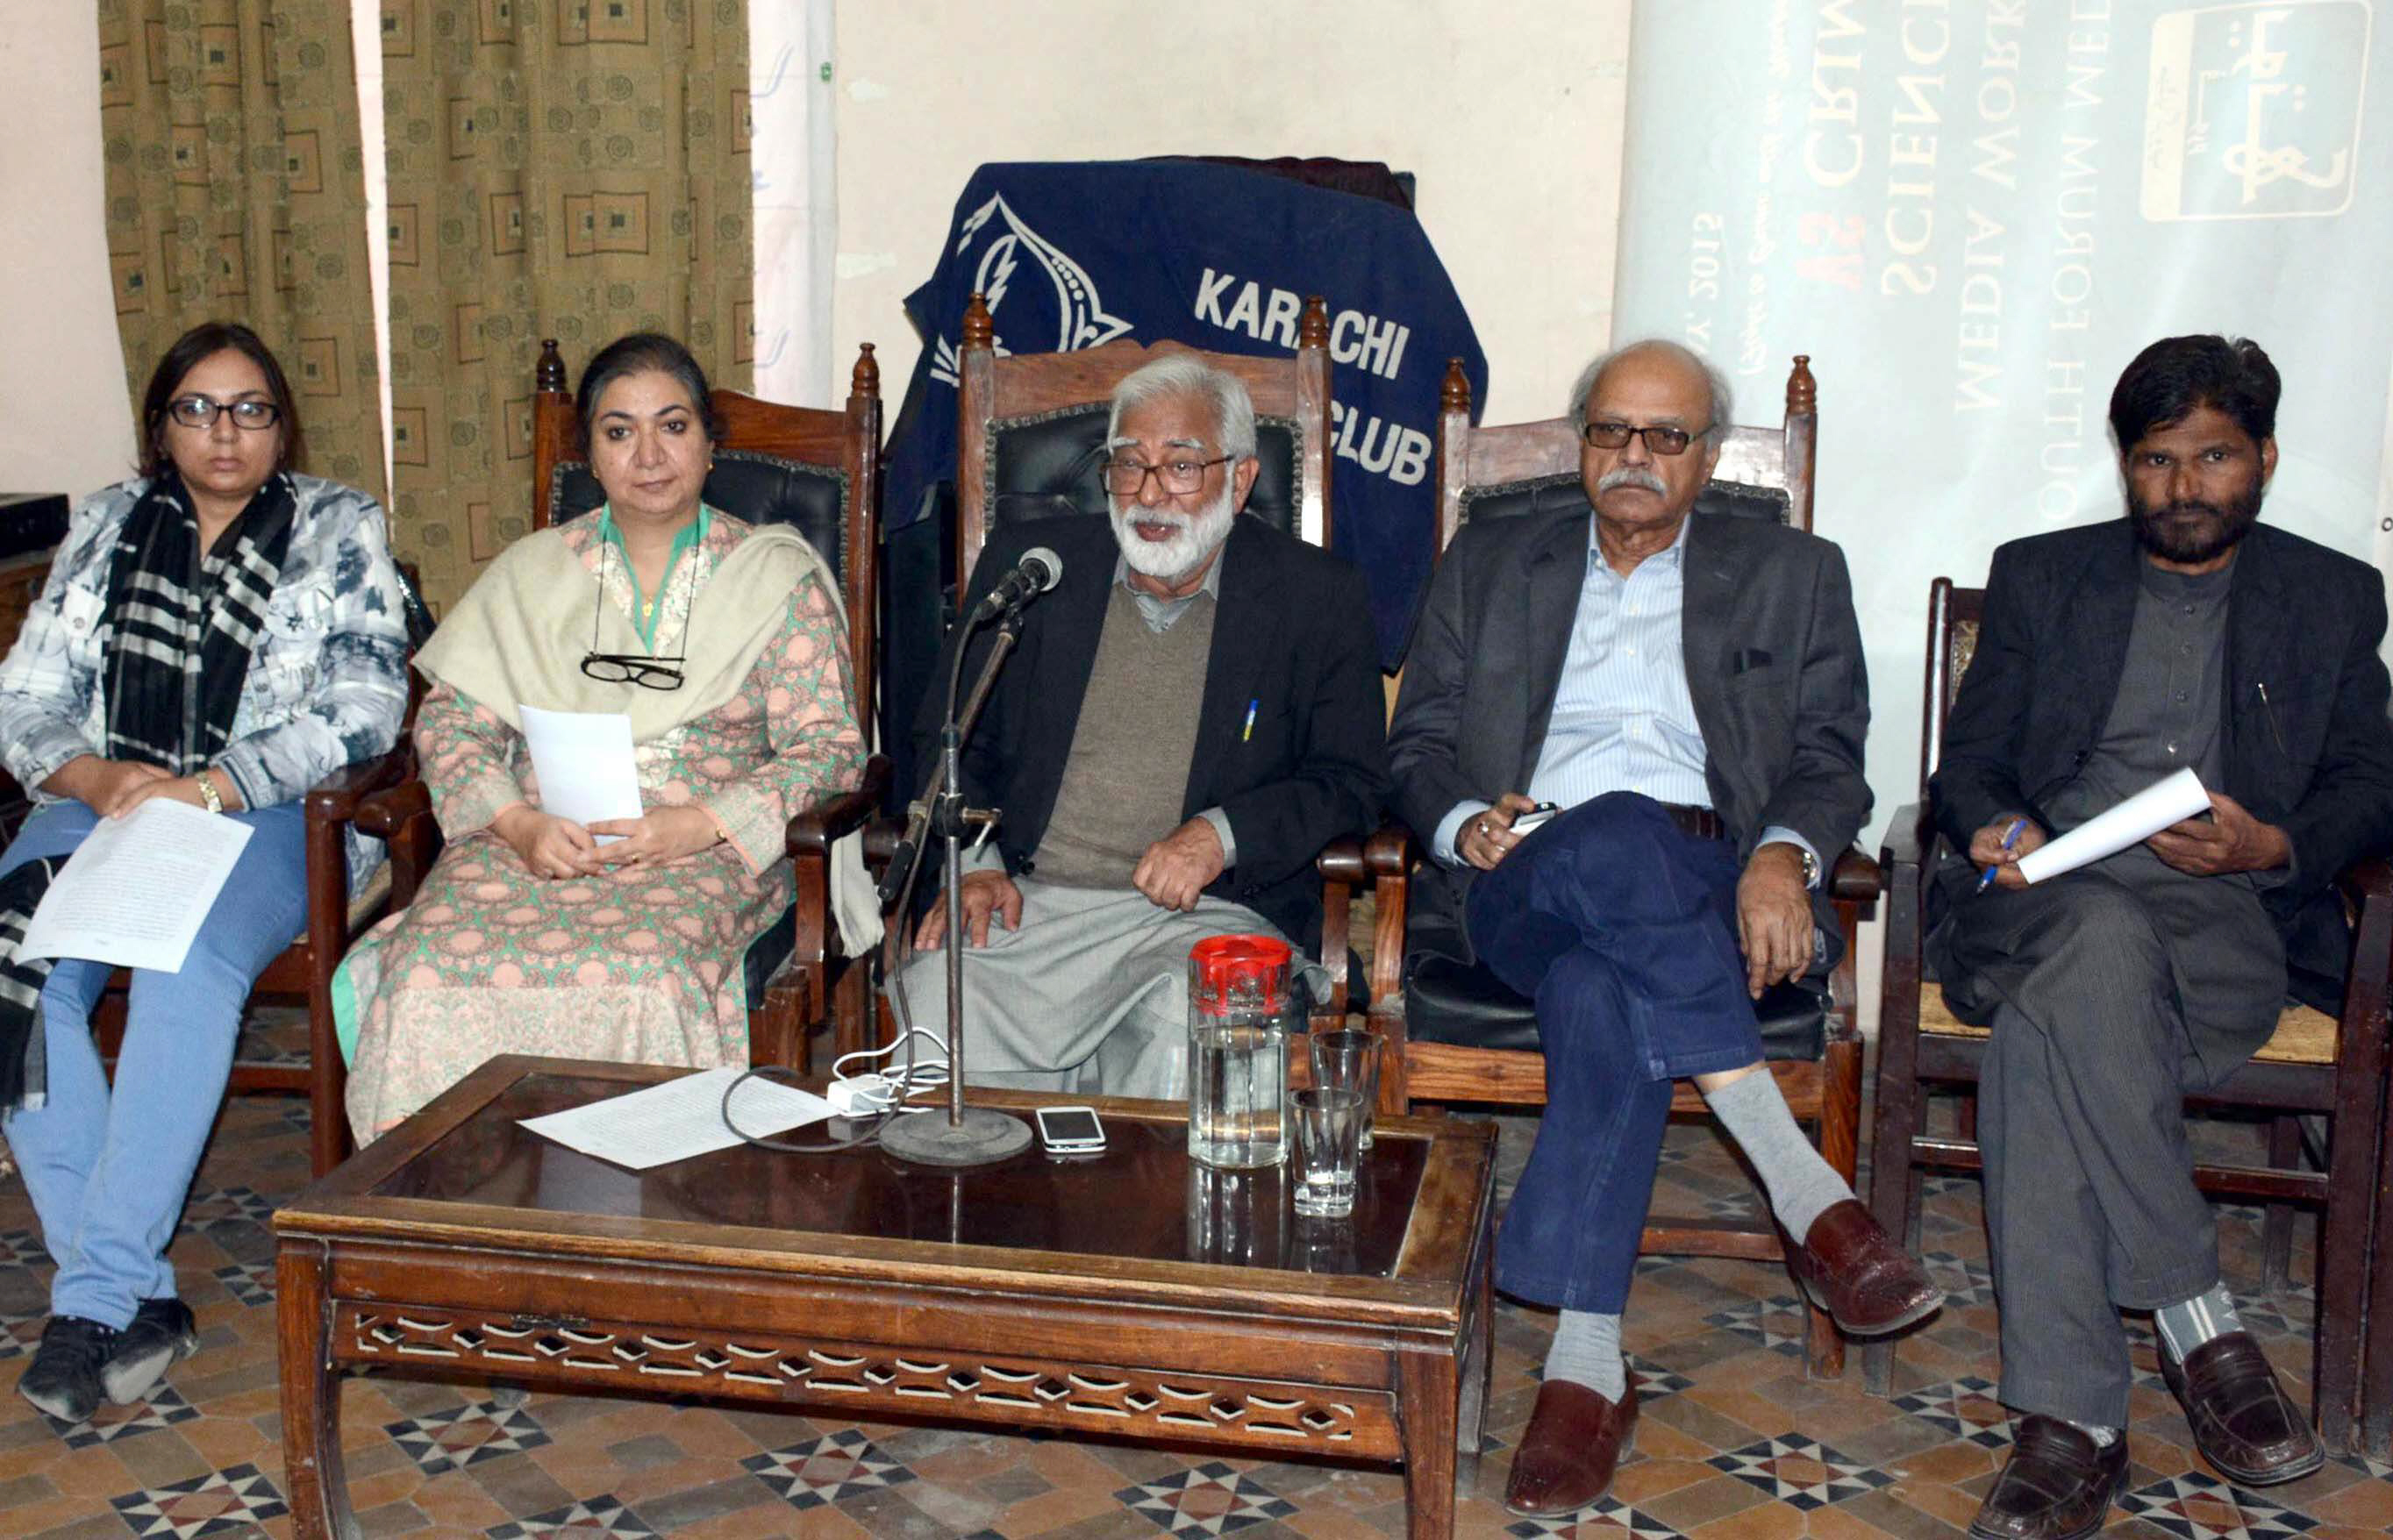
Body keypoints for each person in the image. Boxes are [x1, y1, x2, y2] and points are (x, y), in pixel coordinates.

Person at [1387, 339, 1940, 1516]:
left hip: (1703, 883)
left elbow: (1828, 755)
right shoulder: (1490, 561)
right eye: (1611, 433)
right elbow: (1416, 743)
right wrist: (1458, 826)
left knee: (1603, 989)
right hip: (1523, 876)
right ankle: (1805, 1192)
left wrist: (1784, 860)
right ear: (1583, 440)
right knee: (1617, 835)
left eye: (1665, 437)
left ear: (1708, 458)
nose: (1634, 458)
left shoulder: (1793, 573)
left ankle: (1586, 1364)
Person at [1930, 335, 2393, 1540]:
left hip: (2222, 922)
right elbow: (1968, 761)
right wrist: (1993, 821)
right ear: (2125, 466)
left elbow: (2367, 780)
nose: (2184, 486)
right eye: (2156, 460)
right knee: (2088, 931)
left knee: (2052, 1033)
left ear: (2265, 459)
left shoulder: (2334, 596)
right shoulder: (2044, 577)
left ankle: (2069, 1424)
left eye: (2214, 457)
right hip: (2043, 897)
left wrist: (2270, 847)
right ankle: (2197, 1314)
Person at [0, 322, 410, 1422]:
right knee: (14, 974)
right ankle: (137, 1296)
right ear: (161, 422)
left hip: (262, 816)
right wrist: (90, 775)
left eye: (250, 409)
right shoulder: (105, 525)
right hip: (101, 807)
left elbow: (368, 708)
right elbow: (20, 694)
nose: (224, 432)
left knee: (182, 961)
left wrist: (213, 785)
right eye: (198, 407)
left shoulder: (338, 527)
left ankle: (93, 1301)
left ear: (282, 423)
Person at [338, 332, 866, 1137]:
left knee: (646, 975)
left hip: (706, 847)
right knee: (421, 970)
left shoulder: (771, 577)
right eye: (619, 432)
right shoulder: (533, 571)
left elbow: (827, 747)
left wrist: (702, 824)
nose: (649, 454)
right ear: (589, 454)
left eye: (673, 426)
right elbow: (450, 722)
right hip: (534, 839)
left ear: (710, 444)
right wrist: (516, 823)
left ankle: (644, 1223)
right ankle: (447, 1218)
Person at [893, 353, 1387, 1098]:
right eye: (1129, 464)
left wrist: (1221, 833)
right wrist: (980, 861)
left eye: (1182, 466)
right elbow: (948, 739)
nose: (1150, 494)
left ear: (1241, 479)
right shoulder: (1036, 569)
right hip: (1034, 902)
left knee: (1193, 1025)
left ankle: (1150, 1219)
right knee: (936, 1002)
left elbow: (1351, 784)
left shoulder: (1316, 597)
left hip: (1210, 915)